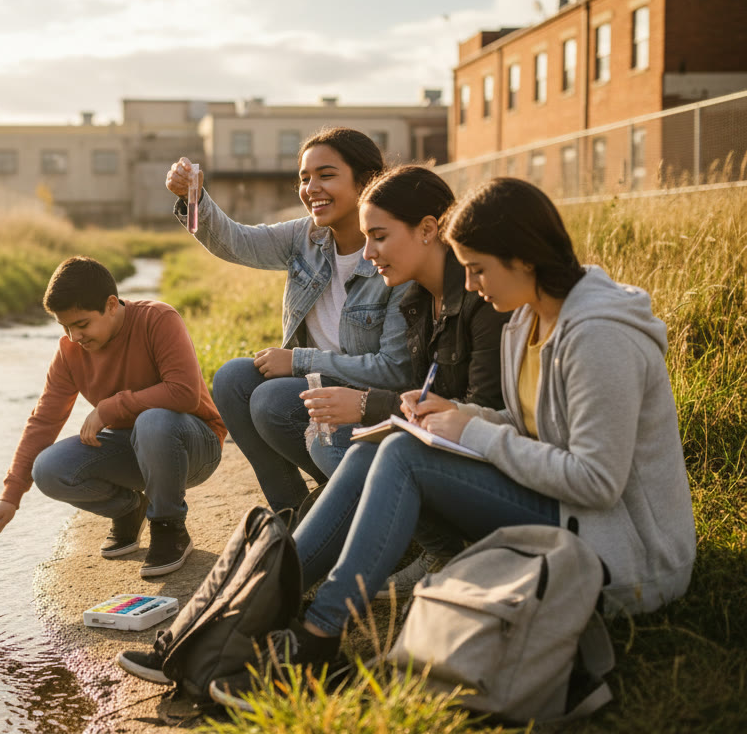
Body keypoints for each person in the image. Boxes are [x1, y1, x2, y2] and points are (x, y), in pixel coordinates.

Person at [201, 177, 697, 712]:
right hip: (566, 514)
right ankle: (247, 611)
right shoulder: (528, 318)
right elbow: (532, 422)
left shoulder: (600, 337)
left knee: (404, 454)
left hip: (625, 555)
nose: (474, 284)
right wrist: (458, 414)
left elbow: (598, 482)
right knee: (381, 444)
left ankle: (315, 635)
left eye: (479, 268)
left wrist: (473, 430)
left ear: (524, 258)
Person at [163, 128, 415, 513]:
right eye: (304, 177)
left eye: (326, 175)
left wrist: (298, 361)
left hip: (366, 394)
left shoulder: (391, 254)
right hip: (315, 381)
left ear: (367, 181)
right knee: (232, 379)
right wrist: (193, 198)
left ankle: (343, 500)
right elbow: (236, 241)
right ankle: (292, 509)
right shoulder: (306, 236)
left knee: (270, 400)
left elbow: (394, 371)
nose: (311, 187)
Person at [299, 165, 512, 598]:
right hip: (441, 451)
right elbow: (426, 395)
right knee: (333, 435)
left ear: (428, 229)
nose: (368, 253)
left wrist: (367, 406)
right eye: (366, 239)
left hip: (497, 464)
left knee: (372, 452)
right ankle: (272, 586)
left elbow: (479, 410)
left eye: (379, 237)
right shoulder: (415, 300)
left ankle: (276, 593)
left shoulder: (484, 297)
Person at [0, 256, 226, 578]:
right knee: (49, 468)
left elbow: (183, 392)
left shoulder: (158, 319)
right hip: (134, 448)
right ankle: (128, 509)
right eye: (65, 327)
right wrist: (10, 497)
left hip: (193, 445)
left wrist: (109, 408)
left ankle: (170, 528)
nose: (74, 337)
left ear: (112, 305)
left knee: (152, 421)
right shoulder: (70, 352)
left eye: (81, 324)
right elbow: (43, 421)